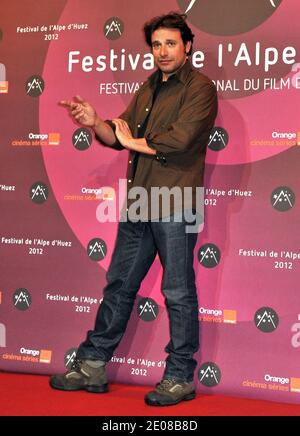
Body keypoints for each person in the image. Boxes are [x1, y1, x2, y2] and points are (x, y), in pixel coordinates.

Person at [50, 12, 218, 407]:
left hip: (176, 200)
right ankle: (92, 363)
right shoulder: (148, 88)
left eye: (170, 43)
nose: (162, 51)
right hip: (141, 199)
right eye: (156, 45)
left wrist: (131, 141)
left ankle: (179, 376)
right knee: (120, 284)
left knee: (177, 291)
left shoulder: (200, 88)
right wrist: (96, 123)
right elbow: (118, 132)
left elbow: (179, 140)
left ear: (187, 46)